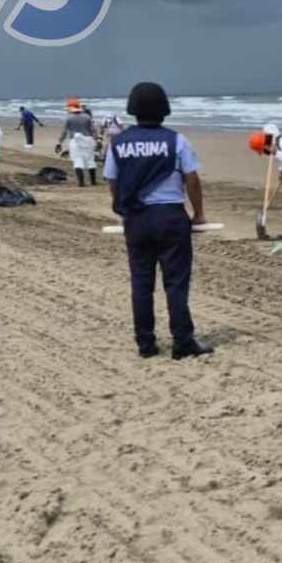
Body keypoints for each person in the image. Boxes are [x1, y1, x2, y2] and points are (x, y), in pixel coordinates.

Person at [104, 81, 212, 360]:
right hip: (170, 216)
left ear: (133, 110)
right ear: (164, 109)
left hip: (136, 219)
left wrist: (123, 209)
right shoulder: (176, 140)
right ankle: (182, 341)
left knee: (141, 283)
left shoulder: (119, 142)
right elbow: (192, 178)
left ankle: (146, 344)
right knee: (175, 282)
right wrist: (198, 213)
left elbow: (112, 180)